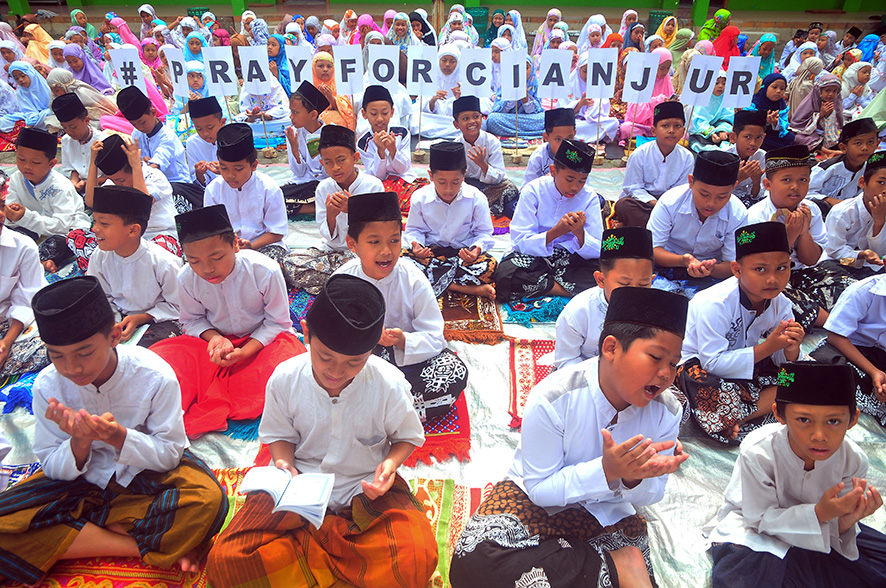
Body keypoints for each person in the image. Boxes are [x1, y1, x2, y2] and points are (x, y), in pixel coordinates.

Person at [206, 274, 437, 588]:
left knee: (416, 556)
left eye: (354, 362)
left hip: (365, 491)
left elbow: (407, 437)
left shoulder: (389, 383)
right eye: (325, 356)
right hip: (300, 489)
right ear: (306, 334)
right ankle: (344, 568)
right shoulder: (285, 378)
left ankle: (307, 564)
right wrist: (284, 466)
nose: (336, 371)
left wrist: (390, 465)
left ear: (370, 352)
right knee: (228, 560)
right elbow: (280, 436)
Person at [451, 286, 690, 587]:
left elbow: (651, 494)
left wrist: (632, 479)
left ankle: (620, 564)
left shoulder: (667, 411)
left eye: (673, 363)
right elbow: (539, 488)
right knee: (474, 561)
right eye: (656, 357)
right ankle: (620, 568)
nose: (666, 374)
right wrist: (607, 471)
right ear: (611, 348)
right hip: (537, 504)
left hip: (608, 517)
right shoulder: (552, 398)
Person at [0, 276, 228, 585]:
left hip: (144, 473)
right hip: (80, 482)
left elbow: (170, 453)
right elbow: (52, 465)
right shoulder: (47, 386)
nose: (71, 368)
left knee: (207, 500)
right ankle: (137, 545)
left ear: (114, 335)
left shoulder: (155, 375)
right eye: (57, 356)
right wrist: (79, 443)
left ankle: (78, 533)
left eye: (83, 353)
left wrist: (118, 437)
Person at [704, 361, 886, 587]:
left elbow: (837, 526)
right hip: (755, 530)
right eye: (803, 420)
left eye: (833, 421)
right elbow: (758, 518)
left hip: (824, 531)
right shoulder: (759, 451)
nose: (819, 435)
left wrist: (846, 521)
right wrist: (818, 514)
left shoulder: (854, 460)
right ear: (779, 415)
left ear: (853, 420)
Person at [148, 205, 304, 438]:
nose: (207, 269)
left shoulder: (265, 270)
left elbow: (278, 324)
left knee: (290, 363)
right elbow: (191, 321)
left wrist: (245, 352)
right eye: (194, 261)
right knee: (162, 357)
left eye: (217, 257)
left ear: (235, 245)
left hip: (263, 343)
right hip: (214, 346)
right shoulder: (186, 278)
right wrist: (216, 339)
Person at [330, 190, 469, 422]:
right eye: (374, 242)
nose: (386, 251)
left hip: (408, 365)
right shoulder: (341, 282)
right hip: (361, 366)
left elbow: (435, 336)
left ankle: (371, 413)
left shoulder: (413, 278)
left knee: (454, 372)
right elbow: (328, 342)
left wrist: (403, 340)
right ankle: (394, 412)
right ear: (352, 244)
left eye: (394, 241)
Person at [678, 221, 802, 444]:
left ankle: (741, 417)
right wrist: (769, 347)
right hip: (700, 366)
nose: (773, 279)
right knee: (704, 387)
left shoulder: (780, 303)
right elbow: (711, 363)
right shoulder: (715, 303)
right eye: (760, 269)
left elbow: (783, 360)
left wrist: (791, 348)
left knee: (800, 375)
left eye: (782, 268)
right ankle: (758, 407)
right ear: (737, 270)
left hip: (749, 360)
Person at [747, 145, 853, 330]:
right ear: (768, 184)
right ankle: (835, 326)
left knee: (845, 283)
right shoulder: (756, 216)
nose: (795, 186)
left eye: (803, 180)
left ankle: (836, 317)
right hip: (771, 276)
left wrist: (804, 232)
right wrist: (789, 236)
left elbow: (811, 260)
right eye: (786, 180)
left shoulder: (810, 209)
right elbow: (762, 265)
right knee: (777, 297)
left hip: (802, 273)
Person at [494, 139, 603, 301]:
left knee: (604, 273)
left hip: (571, 259)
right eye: (569, 179)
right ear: (553, 171)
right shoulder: (533, 191)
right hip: (534, 257)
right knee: (504, 275)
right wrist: (555, 232)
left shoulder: (589, 198)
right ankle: (565, 289)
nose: (575, 187)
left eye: (582, 181)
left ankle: (546, 287)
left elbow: (599, 248)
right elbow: (519, 240)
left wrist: (580, 235)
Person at [85, 186, 183, 347]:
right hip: (118, 318)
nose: (94, 229)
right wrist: (113, 323)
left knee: (150, 348)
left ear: (133, 230)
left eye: (103, 224)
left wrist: (142, 318)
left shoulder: (163, 262)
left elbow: (179, 305)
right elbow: (101, 297)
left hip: (158, 320)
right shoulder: (99, 256)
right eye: (94, 221)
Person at [292, 123, 384, 294]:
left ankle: (340, 281)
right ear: (322, 162)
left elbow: (380, 231)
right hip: (332, 253)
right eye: (328, 162)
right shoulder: (323, 188)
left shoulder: (373, 186)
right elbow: (326, 235)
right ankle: (347, 280)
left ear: (355, 157)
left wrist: (353, 210)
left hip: (362, 253)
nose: (335, 167)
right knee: (291, 262)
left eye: (341, 160)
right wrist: (331, 216)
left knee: (373, 264)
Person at [403, 141, 496, 299]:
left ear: (464, 175)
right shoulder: (420, 198)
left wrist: (476, 250)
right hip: (430, 254)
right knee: (401, 263)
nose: (448, 189)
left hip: (463, 255)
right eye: (441, 182)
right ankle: (463, 288)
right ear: (430, 176)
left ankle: (433, 283)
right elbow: (414, 230)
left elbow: (484, 233)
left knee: (489, 267)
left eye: (455, 182)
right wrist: (416, 246)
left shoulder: (476, 198)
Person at [554, 227, 655, 369]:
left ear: (652, 280)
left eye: (643, 284)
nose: (634, 292)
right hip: (586, 376)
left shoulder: (658, 310)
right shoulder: (578, 312)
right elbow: (566, 361)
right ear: (601, 280)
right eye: (624, 284)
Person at [648, 150, 748, 293]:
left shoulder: (739, 215)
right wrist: (683, 261)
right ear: (691, 182)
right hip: (668, 264)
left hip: (713, 274)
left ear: (734, 187)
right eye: (704, 194)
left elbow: (734, 264)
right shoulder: (669, 202)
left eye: (722, 197)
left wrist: (711, 269)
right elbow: (653, 249)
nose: (711, 203)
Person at [204, 123, 290, 282]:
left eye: (238, 169)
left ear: (254, 165)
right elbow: (212, 231)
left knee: (274, 270)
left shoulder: (269, 189)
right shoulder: (212, 190)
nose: (230, 175)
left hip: (263, 246)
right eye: (224, 168)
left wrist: (251, 246)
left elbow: (277, 232)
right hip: (226, 249)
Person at [6, 127, 90, 272]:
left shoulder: (60, 187)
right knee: (10, 238)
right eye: (21, 159)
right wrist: (10, 215)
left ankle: (46, 260)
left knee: (65, 242)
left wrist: (25, 217)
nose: (27, 166)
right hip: (31, 225)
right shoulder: (16, 179)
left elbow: (62, 225)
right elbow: (12, 212)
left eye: (35, 162)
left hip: (64, 228)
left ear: (51, 164)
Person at [89, 134, 180, 259]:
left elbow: (141, 206)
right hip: (126, 239)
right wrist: (93, 163)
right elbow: (91, 202)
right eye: (114, 180)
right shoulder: (112, 183)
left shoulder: (154, 177)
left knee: (150, 257)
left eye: (120, 180)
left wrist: (136, 165)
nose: (117, 184)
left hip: (161, 234)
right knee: (84, 243)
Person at [117, 86, 202, 210]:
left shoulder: (167, 136)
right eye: (134, 124)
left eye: (142, 122)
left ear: (153, 112)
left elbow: (155, 166)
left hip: (179, 187)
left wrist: (143, 165)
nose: (139, 127)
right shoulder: (137, 134)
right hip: (152, 183)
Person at [616, 102, 694, 228]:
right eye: (665, 126)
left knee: (691, 210)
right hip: (643, 203)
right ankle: (663, 229)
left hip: (669, 205)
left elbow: (681, 191)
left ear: (683, 131)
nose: (671, 131)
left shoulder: (687, 158)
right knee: (624, 205)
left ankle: (639, 227)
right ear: (654, 131)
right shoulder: (640, 154)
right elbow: (633, 187)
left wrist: (665, 206)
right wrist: (655, 203)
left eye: (677, 126)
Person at [0, 183, 48, 378]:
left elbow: (26, 300)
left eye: (1, 205)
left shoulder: (23, 247)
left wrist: (5, 344)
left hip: (11, 323)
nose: (1, 214)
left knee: (54, 346)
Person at [356, 85, 426, 216]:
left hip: (403, 180)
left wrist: (393, 151)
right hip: (380, 185)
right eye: (374, 113)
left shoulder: (401, 133)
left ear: (392, 112)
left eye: (384, 113)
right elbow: (377, 176)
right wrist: (380, 153)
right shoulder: (363, 142)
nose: (380, 119)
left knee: (424, 194)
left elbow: (404, 169)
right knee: (364, 195)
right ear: (364, 114)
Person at [453, 95, 521, 218]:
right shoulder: (456, 145)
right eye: (465, 118)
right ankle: (482, 207)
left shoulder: (492, 141)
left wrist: (482, 164)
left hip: (492, 186)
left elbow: (499, 176)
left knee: (511, 189)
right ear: (456, 124)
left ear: (482, 118)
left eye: (476, 116)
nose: (472, 122)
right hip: (468, 186)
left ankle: (478, 207)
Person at [824, 150, 886, 281]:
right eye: (881, 182)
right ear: (862, 182)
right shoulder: (842, 212)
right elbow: (834, 252)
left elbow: (879, 254)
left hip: (872, 267)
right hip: (840, 263)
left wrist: (879, 222)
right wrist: (861, 256)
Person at [810, 117, 879, 209]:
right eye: (858, 143)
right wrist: (829, 200)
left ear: (877, 144)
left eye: (870, 142)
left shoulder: (871, 170)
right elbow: (806, 192)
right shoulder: (827, 167)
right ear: (843, 148)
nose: (865, 148)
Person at [51, 93, 107, 193]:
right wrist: (74, 181)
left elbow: (113, 176)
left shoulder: (103, 140)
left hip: (103, 185)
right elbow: (74, 169)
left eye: (73, 127)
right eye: (64, 127)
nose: (69, 131)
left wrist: (89, 183)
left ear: (86, 120)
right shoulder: (66, 140)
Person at [619, 48, 675, 144]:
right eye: (662, 68)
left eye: (668, 68)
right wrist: (655, 102)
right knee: (626, 128)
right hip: (641, 125)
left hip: (661, 126)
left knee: (683, 134)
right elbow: (633, 113)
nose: (665, 72)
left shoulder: (667, 80)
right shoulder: (640, 78)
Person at [568, 52, 620, 146]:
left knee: (614, 123)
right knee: (565, 126)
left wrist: (593, 111)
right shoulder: (571, 84)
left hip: (593, 121)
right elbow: (564, 112)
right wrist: (580, 104)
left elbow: (604, 111)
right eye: (585, 71)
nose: (588, 75)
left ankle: (583, 137)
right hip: (575, 121)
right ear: (578, 70)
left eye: (591, 71)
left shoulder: (599, 84)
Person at [724, 110, 768, 208]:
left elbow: (756, 196)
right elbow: (717, 191)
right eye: (747, 137)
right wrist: (737, 179)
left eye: (759, 137)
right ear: (733, 137)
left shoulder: (761, 157)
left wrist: (756, 181)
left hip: (748, 202)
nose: (753, 143)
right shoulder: (724, 157)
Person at [790, 74, 845, 154]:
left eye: (834, 91)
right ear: (820, 91)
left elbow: (838, 123)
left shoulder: (835, 103)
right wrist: (820, 115)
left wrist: (830, 116)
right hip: (811, 134)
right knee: (799, 139)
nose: (831, 94)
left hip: (829, 134)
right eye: (827, 90)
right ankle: (829, 152)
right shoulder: (810, 102)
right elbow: (798, 123)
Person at [523, 108, 576, 188]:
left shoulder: (578, 155)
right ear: (546, 137)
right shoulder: (538, 156)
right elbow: (528, 187)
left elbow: (584, 188)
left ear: (574, 134)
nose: (564, 145)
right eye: (558, 139)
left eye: (569, 139)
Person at [688, 70, 734, 153]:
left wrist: (722, 131)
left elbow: (726, 119)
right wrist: (711, 133)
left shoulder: (726, 99)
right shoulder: (701, 99)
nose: (720, 86)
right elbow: (697, 121)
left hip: (718, 134)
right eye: (716, 83)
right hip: (701, 136)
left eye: (724, 84)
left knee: (727, 149)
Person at [747, 73, 795, 150]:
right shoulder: (754, 102)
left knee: (790, 137)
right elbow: (746, 119)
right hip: (755, 132)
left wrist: (775, 123)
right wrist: (764, 121)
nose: (778, 91)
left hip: (772, 134)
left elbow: (785, 123)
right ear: (765, 87)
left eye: (782, 89)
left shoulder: (782, 105)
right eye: (774, 87)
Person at [186, 96, 224, 190]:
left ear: (222, 122)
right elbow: (198, 183)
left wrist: (226, 169)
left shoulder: (233, 137)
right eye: (199, 129)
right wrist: (199, 173)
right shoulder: (192, 143)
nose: (205, 133)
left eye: (210, 127)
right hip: (207, 192)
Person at [2, 61, 51, 131]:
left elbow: (53, 106)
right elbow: (28, 110)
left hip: (46, 114)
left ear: (30, 73)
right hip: (30, 116)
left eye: (22, 76)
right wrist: (31, 121)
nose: (20, 80)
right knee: (4, 120)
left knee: (49, 113)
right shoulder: (20, 91)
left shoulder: (45, 86)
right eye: (16, 78)